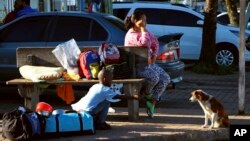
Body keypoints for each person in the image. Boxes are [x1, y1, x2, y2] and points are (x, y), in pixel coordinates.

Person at [124, 10, 170, 118]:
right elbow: (145, 44)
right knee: (154, 77)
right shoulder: (131, 34)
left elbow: (155, 43)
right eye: (143, 20)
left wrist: (154, 54)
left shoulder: (145, 32)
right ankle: (148, 94)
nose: (145, 22)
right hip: (137, 67)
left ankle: (152, 99)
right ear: (136, 21)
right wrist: (143, 30)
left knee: (165, 78)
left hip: (148, 64)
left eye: (146, 20)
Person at [71, 68, 137, 130]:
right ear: (105, 79)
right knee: (107, 101)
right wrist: (134, 97)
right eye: (111, 79)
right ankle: (100, 123)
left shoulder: (95, 86)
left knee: (104, 100)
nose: (111, 81)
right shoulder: (105, 89)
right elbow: (120, 96)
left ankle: (97, 120)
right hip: (88, 112)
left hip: (79, 109)